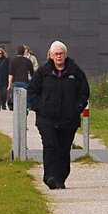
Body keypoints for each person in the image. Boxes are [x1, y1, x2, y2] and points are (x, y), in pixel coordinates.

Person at [28, 41, 89, 190]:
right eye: (56, 54)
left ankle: (61, 178)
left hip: (69, 119)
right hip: (46, 119)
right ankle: (50, 177)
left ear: (65, 55)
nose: (59, 56)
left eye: (61, 53)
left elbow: (84, 93)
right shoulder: (43, 73)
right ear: (50, 55)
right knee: (50, 146)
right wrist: (39, 107)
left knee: (63, 148)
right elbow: (32, 92)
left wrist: (77, 109)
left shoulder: (76, 72)